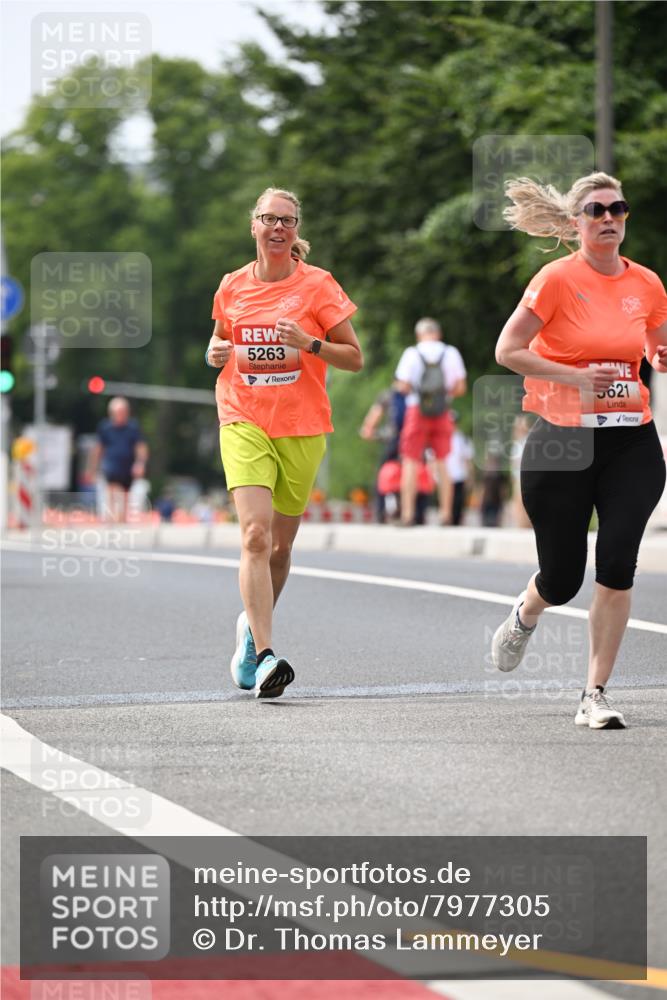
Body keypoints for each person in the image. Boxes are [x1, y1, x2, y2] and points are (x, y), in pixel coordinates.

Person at [491, 172, 667, 729]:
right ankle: (526, 613)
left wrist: (661, 358)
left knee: (617, 564)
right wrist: (571, 377)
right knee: (563, 579)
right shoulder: (556, 280)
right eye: (596, 210)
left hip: (631, 440)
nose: (609, 217)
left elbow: (655, 347)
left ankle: (595, 692)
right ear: (577, 223)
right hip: (562, 442)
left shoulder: (648, 284)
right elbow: (508, 349)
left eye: (618, 208)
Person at [206, 187, 363, 699]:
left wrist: (309, 344)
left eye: (288, 221)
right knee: (254, 535)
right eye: (269, 219)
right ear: (253, 225)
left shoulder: (319, 286)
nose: (278, 228)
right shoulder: (231, 285)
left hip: (301, 425)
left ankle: (250, 632)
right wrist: (215, 351)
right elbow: (219, 341)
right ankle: (268, 653)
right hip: (242, 416)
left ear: (296, 232)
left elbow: (353, 357)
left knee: (279, 548)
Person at [394, 318, 467, 525]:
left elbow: (403, 386)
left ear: (419, 335)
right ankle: (446, 514)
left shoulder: (412, 353)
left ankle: (407, 514)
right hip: (443, 410)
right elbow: (460, 387)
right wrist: (442, 394)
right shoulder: (450, 353)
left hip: (417, 409)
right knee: (443, 461)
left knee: (411, 460)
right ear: (439, 334)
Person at [88, 397, 148, 522]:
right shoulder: (105, 428)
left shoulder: (133, 428)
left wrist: (140, 463)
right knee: (113, 491)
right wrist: (92, 467)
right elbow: (98, 448)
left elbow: (141, 447)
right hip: (111, 465)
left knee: (126, 494)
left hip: (127, 466)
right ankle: (112, 518)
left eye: (123, 411)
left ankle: (122, 520)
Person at [445, 413, 473, 526]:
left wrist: (470, 477)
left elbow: (467, 459)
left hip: (459, 476)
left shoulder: (463, 439)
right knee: (448, 501)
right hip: (446, 477)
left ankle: (456, 522)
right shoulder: (441, 438)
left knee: (458, 502)